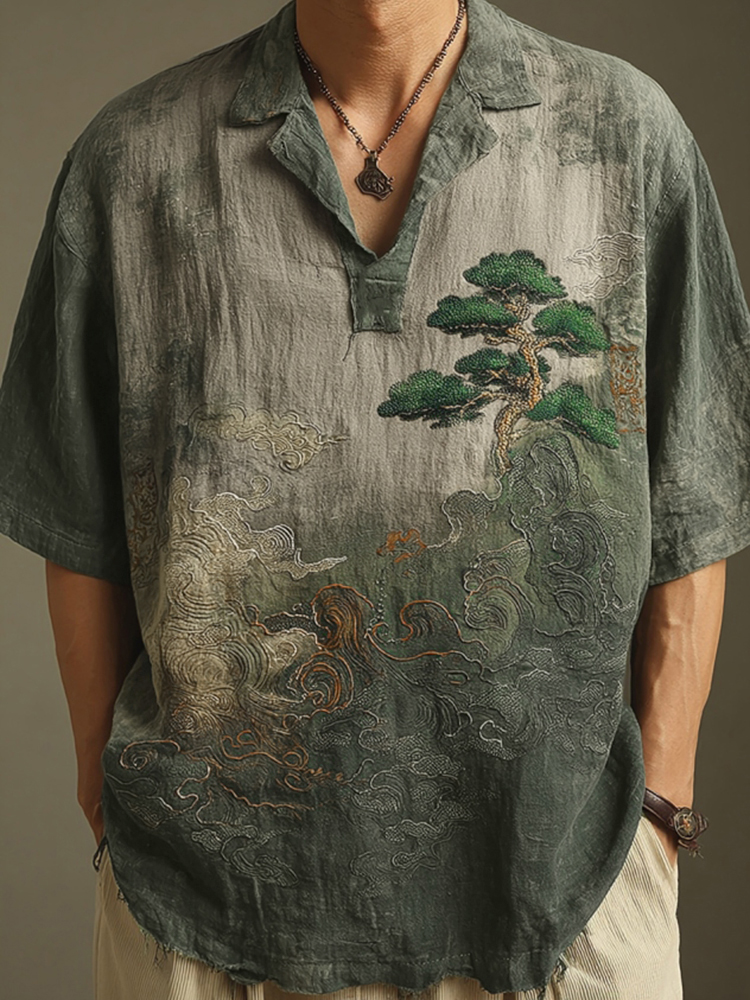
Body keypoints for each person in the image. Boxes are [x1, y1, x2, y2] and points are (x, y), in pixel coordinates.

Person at [1, 0, 748, 997]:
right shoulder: (135, 161)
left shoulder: (621, 132)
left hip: (569, 900)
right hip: (207, 910)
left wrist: (660, 806)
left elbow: (696, 487)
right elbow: (76, 512)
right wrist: (113, 804)